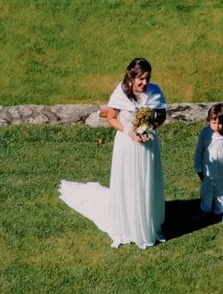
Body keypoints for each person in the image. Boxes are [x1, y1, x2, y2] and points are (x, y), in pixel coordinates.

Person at [59, 57, 167, 249]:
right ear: (131, 77)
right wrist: (130, 132)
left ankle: (147, 221)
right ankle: (129, 225)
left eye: (147, 78)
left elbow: (162, 115)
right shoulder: (121, 93)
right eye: (141, 79)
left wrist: (150, 127)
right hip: (127, 145)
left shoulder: (155, 92)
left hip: (148, 145)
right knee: (130, 182)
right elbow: (111, 118)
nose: (145, 83)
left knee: (146, 182)